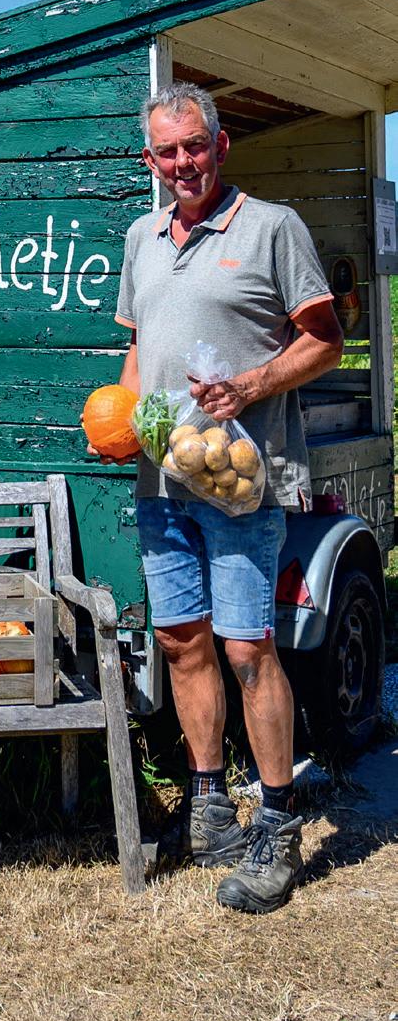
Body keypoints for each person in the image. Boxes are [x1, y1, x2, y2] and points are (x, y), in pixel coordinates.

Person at [104, 82, 343, 912]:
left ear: (220, 143)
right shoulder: (140, 237)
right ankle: (209, 808)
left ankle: (276, 822)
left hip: (242, 480)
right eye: (167, 151)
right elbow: (141, 352)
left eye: (194, 145)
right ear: (149, 159)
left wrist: (249, 385)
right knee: (180, 641)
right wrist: (118, 418)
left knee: (247, 647)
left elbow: (324, 338)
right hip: (161, 480)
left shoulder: (270, 227)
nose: (182, 163)